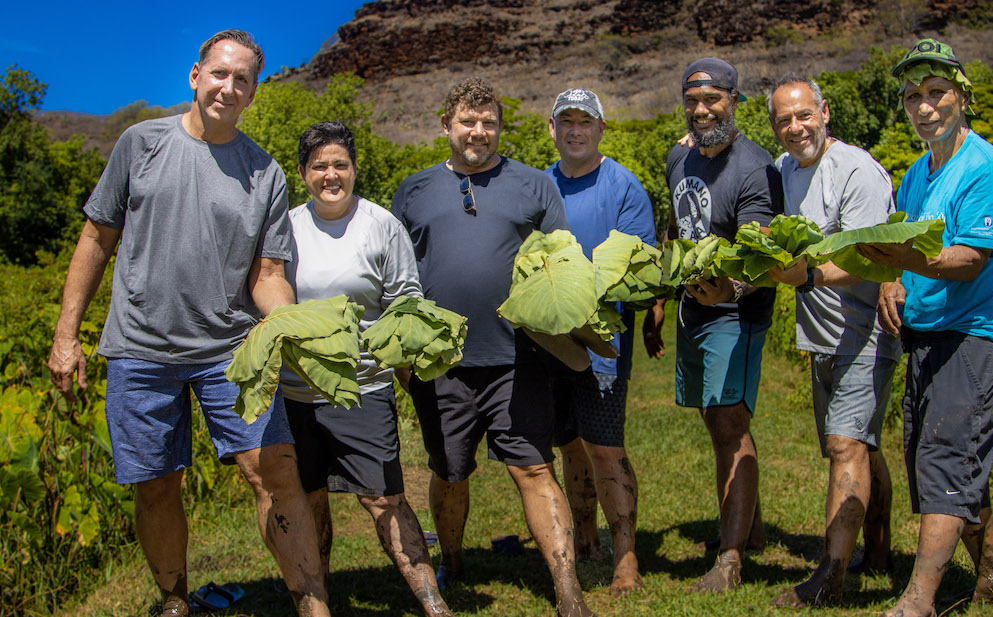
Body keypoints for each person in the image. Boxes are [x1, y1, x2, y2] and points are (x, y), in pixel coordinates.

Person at [46, 30, 330, 617]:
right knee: (156, 483)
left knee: (273, 469)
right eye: (220, 73)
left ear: (253, 93)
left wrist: (293, 325)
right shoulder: (140, 143)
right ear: (195, 76)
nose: (229, 87)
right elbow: (96, 238)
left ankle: (313, 604)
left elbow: (268, 275)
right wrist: (66, 336)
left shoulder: (264, 173)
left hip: (230, 348)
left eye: (242, 80)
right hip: (140, 349)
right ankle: (175, 601)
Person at [390, 77, 596, 617]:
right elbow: (397, 277)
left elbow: (561, 258)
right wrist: (403, 360)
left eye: (488, 122)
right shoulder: (413, 191)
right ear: (446, 126)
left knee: (532, 466)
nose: (478, 131)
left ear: (501, 128)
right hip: (441, 364)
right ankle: (452, 563)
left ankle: (567, 586)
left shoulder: (532, 185)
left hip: (516, 356)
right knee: (450, 471)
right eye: (467, 121)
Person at [857, 39, 993, 617]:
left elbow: (969, 258)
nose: (924, 108)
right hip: (924, 335)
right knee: (945, 461)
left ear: (961, 97)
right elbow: (903, 253)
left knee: (946, 461)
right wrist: (889, 283)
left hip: (974, 335)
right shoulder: (916, 174)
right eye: (912, 98)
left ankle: (919, 600)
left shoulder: (986, 170)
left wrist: (899, 262)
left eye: (936, 94)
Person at [281, 121, 454, 617]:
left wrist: (411, 363)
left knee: (385, 499)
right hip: (296, 391)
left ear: (354, 169)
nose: (330, 175)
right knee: (309, 499)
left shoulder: (381, 225)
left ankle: (432, 603)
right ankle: (318, 602)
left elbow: (406, 300)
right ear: (302, 173)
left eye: (340, 164)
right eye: (319, 166)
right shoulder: (286, 227)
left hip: (363, 387)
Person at [643, 57, 783, 593]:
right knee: (717, 420)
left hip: (736, 314)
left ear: (735, 101)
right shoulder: (679, 158)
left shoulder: (756, 168)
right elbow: (676, 227)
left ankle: (729, 559)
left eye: (713, 99)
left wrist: (732, 289)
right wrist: (661, 301)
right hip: (691, 309)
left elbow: (761, 255)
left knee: (730, 426)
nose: (703, 110)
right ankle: (752, 528)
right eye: (693, 101)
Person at [764, 75, 900, 608]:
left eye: (803, 115)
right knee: (860, 445)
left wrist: (811, 277)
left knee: (845, 447)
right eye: (783, 120)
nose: (795, 127)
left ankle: (829, 575)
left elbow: (871, 254)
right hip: (821, 336)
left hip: (865, 331)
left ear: (824, 113)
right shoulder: (786, 170)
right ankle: (881, 551)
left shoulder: (857, 170)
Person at [544, 88, 655, 596]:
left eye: (584, 122)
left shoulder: (623, 186)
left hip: (603, 340)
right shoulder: (540, 185)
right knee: (568, 444)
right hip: (548, 341)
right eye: (565, 121)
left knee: (606, 448)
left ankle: (625, 554)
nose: (575, 130)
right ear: (552, 129)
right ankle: (584, 538)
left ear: (600, 130)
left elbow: (637, 267)